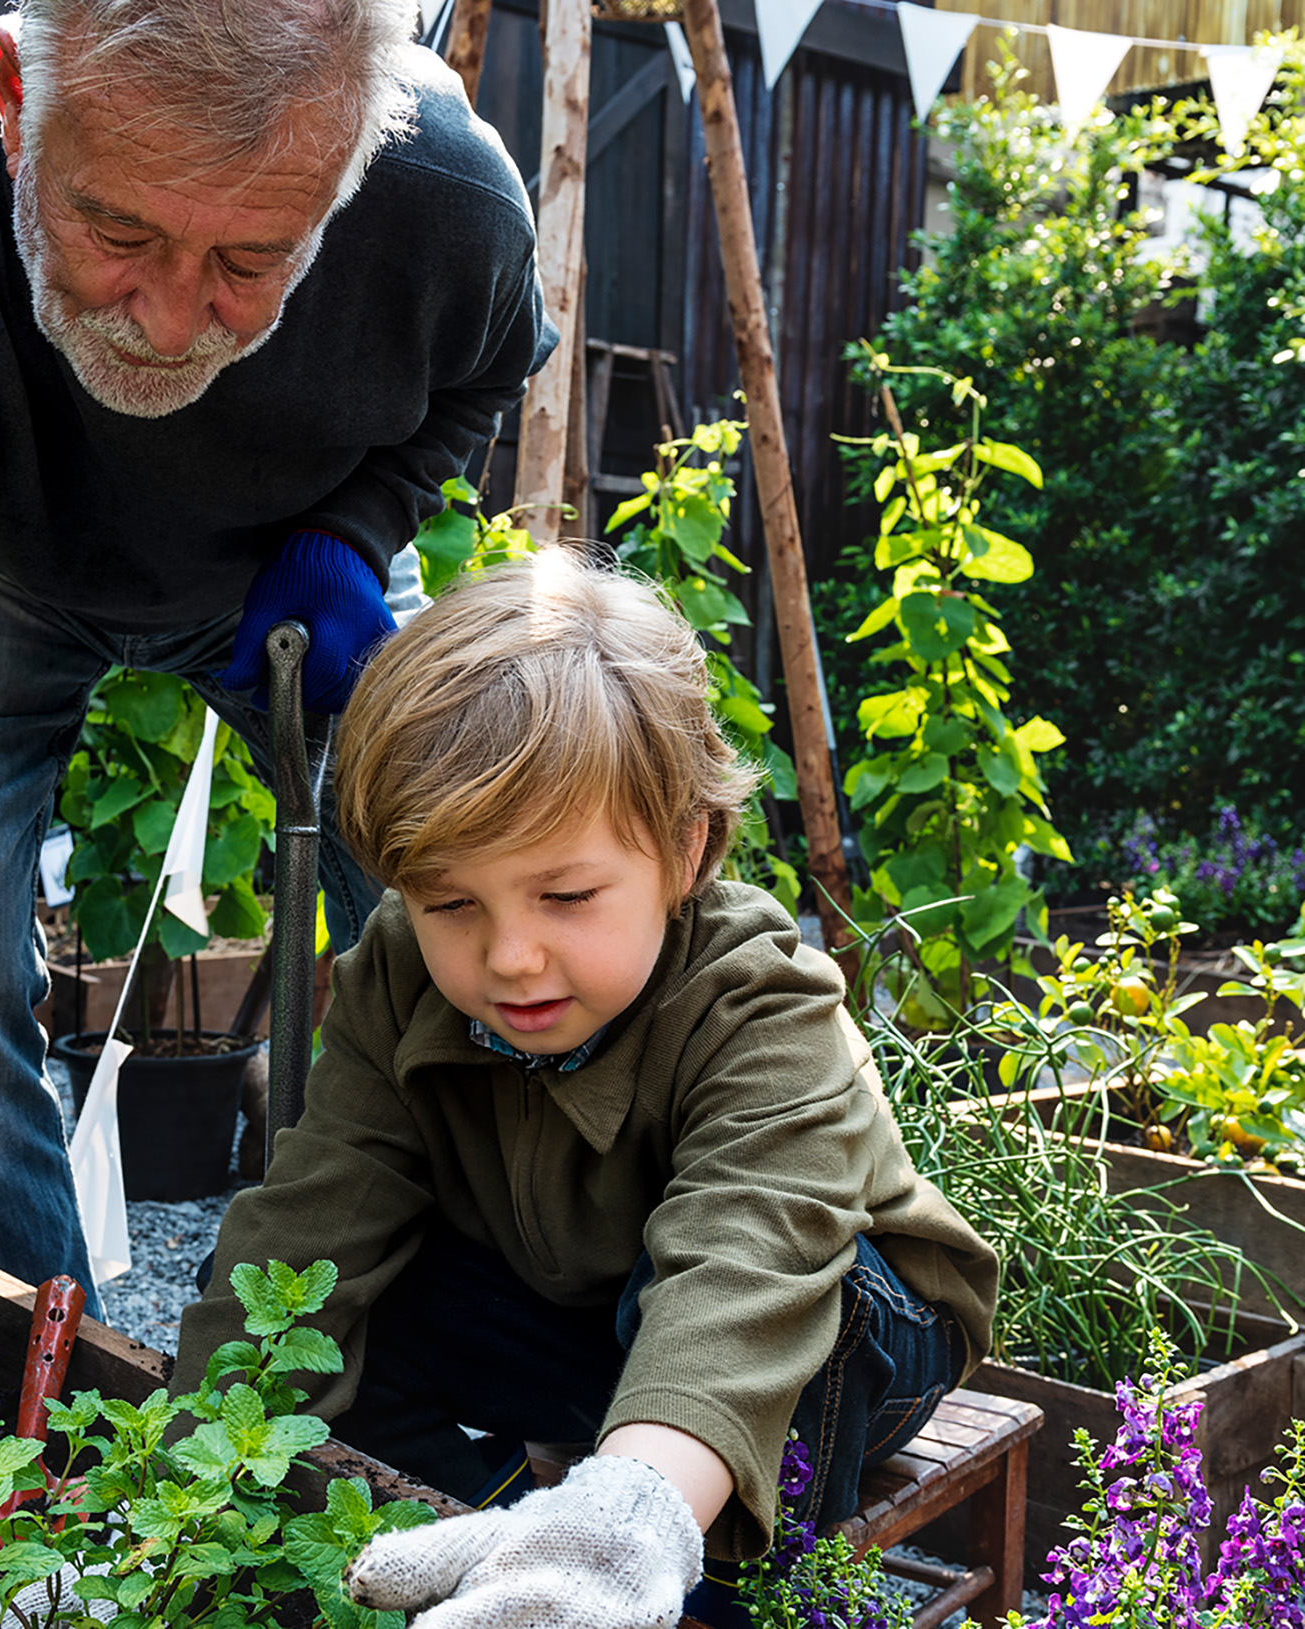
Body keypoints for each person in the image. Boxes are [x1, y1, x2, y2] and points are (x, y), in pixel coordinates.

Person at [0, 0, 556, 1528]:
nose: (163, 318)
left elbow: (477, 380)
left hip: (282, 571)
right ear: (20, 98)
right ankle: (42, 1407)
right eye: (115, 230)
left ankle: (497, 1339)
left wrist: (352, 538)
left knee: (487, 886)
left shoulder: (444, 194)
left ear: (348, 175)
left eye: (249, 263)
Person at [172, 551, 1000, 1629]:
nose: (509, 956)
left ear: (683, 846)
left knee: (780, 1317)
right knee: (316, 1307)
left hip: (827, 1326)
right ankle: (487, 1549)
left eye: (564, 895)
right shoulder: (398, 969)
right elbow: (316, 1207)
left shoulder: (761, 1001)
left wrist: (629, 1516)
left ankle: (644, 1565)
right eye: (450, 903)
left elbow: (743, 1261)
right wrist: (178, 1492)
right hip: (585, 1308)